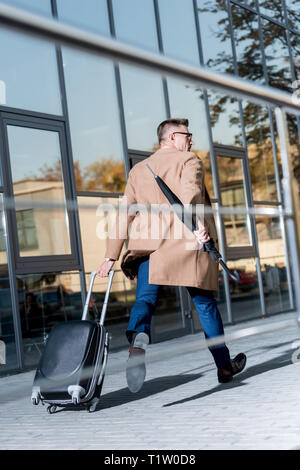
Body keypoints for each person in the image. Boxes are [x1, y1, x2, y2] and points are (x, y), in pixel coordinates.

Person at [97, 118, 246, 393]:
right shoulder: (189, 160)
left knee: (145, 299)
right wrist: (198, 225)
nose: (191, 140)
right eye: (188, 135)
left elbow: (124, 215)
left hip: (150, 247)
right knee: (204, 305)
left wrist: (110, 256)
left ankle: (138, 337)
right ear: (173, 137)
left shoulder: (139, 170)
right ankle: (224, 366)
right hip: (186, 243)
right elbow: (189, 194)